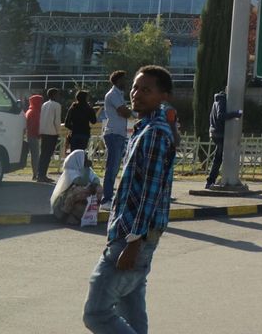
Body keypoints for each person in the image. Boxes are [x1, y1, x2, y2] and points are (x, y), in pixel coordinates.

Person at [82, 65, 177, 333]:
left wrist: (134, 242)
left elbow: (151, 190)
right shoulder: (144, 127)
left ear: (163, 96)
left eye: (146, 90)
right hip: (129, 232)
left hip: (133, 236)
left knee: (97, 313)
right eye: (135, 87)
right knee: (131, 311)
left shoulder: (155, 132)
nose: (137, 94)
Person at [101, 71, 132, 207]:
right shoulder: (113, 94)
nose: (127, 82)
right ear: (118, 80)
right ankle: (106, 199)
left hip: (119, 134)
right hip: (113, 133)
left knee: (115, 167)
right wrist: (137, 112)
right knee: (112, 167)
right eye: (124, 79)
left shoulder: (119, 94)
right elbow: (123, 111)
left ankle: (109, 196)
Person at [51, 149, 102, 224]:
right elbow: (81, 182)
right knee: (79, 190)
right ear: (78, 159)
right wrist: (86, 169)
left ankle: (87, 215)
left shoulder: (86, 169)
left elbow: (96, 179)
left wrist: (94, 185)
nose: (86, 160)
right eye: (84, 158)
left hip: (82, 200)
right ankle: (64, 215)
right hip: (63, 201)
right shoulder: (70, 170)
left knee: (99, 188)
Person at [205, 90, 243, 188]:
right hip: (220, 133)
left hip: (214, 132)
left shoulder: (216, 101)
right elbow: (220, 115)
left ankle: (212, 180)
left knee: (219, 157)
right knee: (219, 159)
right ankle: (212, 181)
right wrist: (235, 114)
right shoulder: (222, 101)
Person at [36, 87, 63, 183]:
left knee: (43, 154)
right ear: (54, 95)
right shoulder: (57, 105)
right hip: (52, 133)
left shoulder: (44, 104)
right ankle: (42, 175)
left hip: (43, 131)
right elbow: (57, 121)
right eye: (58, 94)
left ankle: (40, 174)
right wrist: (58, 132)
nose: (59, 96)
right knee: (48, 155)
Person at [22, 93, 43, 178]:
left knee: (34, 155)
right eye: (40, 101)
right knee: (35, 156)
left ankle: (35, 173)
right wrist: (38, 134)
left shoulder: (30, 110)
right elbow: (35, 125)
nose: (41, 103)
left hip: (29, 135)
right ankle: (35, 174)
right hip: (34, 136)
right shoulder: (35, 112)